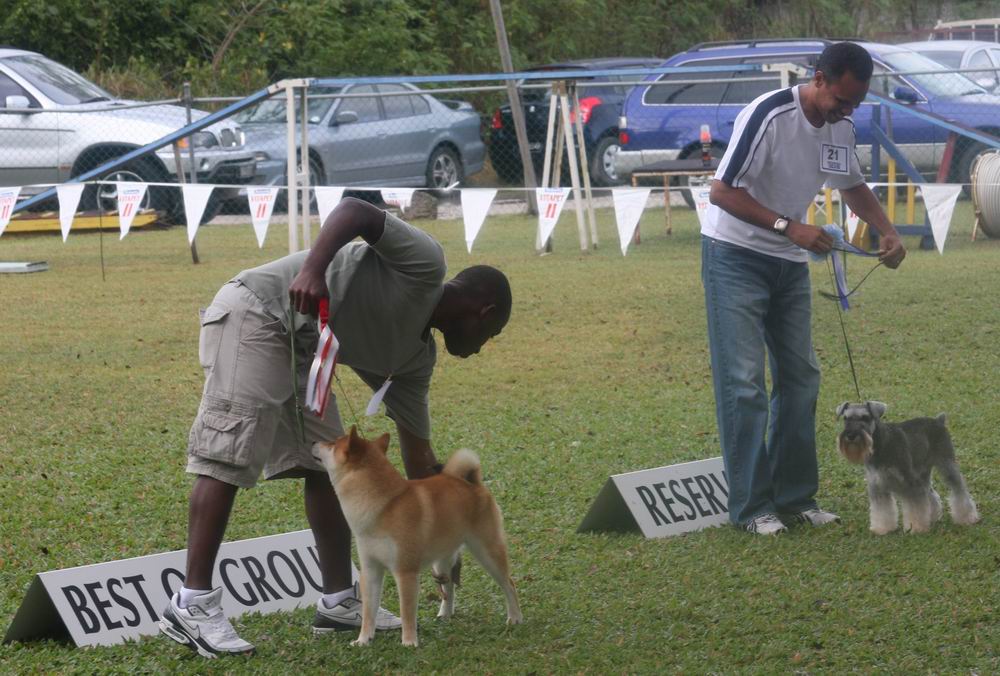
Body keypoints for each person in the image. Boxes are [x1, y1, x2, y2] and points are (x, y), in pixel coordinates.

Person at [158, 197, 512, 657]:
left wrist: (450, 530)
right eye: (491, 335)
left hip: (304, 350)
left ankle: (339, 600)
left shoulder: (414, 359)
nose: (481, 348)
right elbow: (354, 211)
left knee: (329, 464)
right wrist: (314, 269)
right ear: (484, 312)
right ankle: (192, 603)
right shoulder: (426, 264)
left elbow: (419, 458)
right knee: (229, 454)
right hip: (259, 313)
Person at [703, 42, 906, 535]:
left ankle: (795, 498)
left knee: (801, 378)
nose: (847, 111)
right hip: (734, 256)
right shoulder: (769, 115)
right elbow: (721, 191)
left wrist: (887, 229)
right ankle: (752, 508)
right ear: (818, 79)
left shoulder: (842, 126)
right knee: (744, 383)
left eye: (856, 103)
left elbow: (851, 184)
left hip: (789, 263)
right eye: (841, 100)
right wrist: (787, 226)